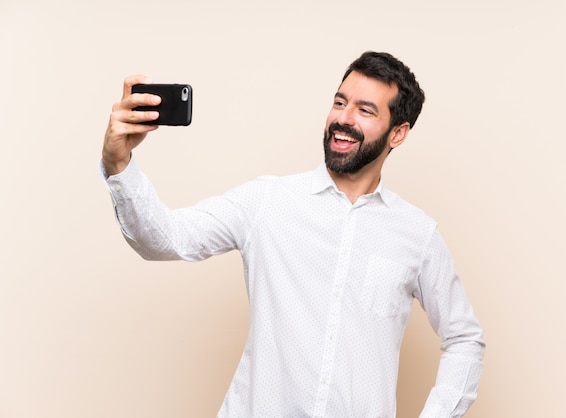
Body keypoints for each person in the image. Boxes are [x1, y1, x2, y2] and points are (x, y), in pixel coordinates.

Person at [101, 51, 485, 417]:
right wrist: (118, 164)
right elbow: (165, 238)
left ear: (398, 133)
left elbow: (465, 338)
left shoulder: (416, 234)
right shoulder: (267, 200)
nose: (343, 119)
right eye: (339, 102)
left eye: (365, 110)